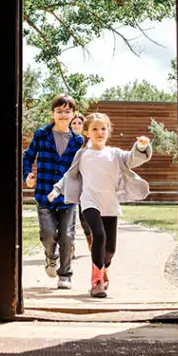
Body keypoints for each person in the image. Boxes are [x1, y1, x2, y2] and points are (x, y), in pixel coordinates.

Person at [48, 112, 152, 297]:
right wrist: (56, 190)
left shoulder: (115, 154)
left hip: (110, 203)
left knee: (110, 249)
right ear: (87, 132)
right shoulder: (83, 154)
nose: (99, 132)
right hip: (89, 201)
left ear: (108, 131)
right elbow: (70, 175)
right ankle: (96, 282)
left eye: (103, 128)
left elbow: (132, 159)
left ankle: (104, 268)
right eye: (94, 129)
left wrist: (141, 146)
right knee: (99, 235)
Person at [23, 95, 83, 289]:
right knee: (48, 234)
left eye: (67, 111)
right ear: (53, 113)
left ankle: (65, 274)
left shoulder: (78, 141)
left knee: (67, 235)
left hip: (68, 196)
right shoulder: (42, 134)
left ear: (73, 114)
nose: (63, 115)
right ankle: (51, 257)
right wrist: (27, 175)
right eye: (59, 111)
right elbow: (28, 156)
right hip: (44, 193)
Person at [67, 112, 92, 258]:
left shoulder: (88, 144)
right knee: (69, 217)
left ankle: (90, 239)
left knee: (85, 217)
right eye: (74, 123)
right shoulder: (66, 141)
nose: (76, 126)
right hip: (70, 183)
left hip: (85, 185)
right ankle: (71, 247)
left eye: (79, 123)